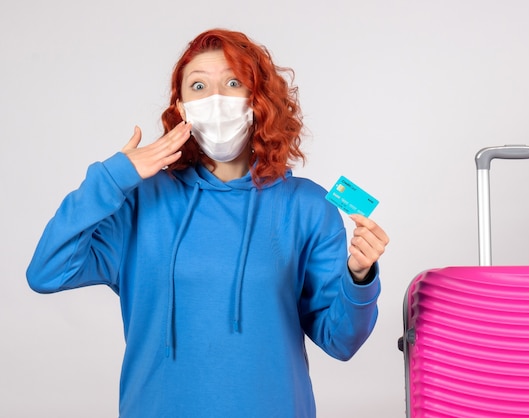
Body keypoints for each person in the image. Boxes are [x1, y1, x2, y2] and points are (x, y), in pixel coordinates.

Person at [26, 28, 389, 417]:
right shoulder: (140, 200)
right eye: (198, 86)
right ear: (181, 108)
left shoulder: (306, 205)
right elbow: (47, 272)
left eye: (233, 83)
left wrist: (360, 276)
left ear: (257, 100)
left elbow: (341, 340)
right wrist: (112, 177)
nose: (215, 99)